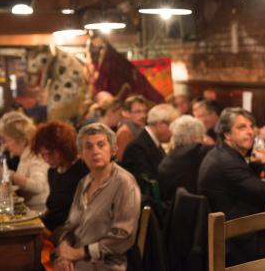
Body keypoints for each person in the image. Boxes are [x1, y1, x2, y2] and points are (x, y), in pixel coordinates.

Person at [197, 107, 265, 266]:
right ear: (227, 134)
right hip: (236, 243)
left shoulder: (223, 153)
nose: (250, 132)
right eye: (242, 127)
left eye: (251, 126)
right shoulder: (228, 163)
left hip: (230, 232)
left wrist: (257, 166)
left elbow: (244, 184)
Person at [52, 123, 141, 271]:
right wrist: (65, 250)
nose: (95, 151)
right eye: (88, 147)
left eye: (101, 145)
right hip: (77, 260)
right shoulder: (84, 182)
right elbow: (70, 225)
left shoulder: (125, 184)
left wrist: (79, 253)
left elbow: (123, 236)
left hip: (106, 265)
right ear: (80, 154)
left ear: (113, 150)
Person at [33, 121, 90, 232]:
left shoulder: (83, 170)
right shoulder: (53, 171)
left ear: (65, 148)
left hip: (70, 235)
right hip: (51, 230)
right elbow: (55, 209)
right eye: (42, 155)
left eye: (50, 153)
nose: (46, 159)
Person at [0, 111, 50, 212]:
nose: (5, 145)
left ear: (22, 140)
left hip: (38, 213)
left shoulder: (35, 156)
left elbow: (38, 186)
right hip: (27, 209)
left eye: (7, 140)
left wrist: (10, 175)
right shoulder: (25, 155)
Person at [120, 104, 180, 182]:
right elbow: (150, 182)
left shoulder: (150, 141)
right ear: (160, 125)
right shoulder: (137, 147)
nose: (174, 131)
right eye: (172, 126)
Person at [157, 115, 210, 201]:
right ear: (194, 138)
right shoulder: (197, 150)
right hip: (193, 208)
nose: (204, 140)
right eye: (202, 137)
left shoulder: (171, 156)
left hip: (173, 206)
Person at [115, 95, 149, 162]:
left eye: (145, 111)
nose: (143, 115)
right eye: (138, 112)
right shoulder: (125, 132)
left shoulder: (137, 129)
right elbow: (120, 160)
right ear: (126, 113)